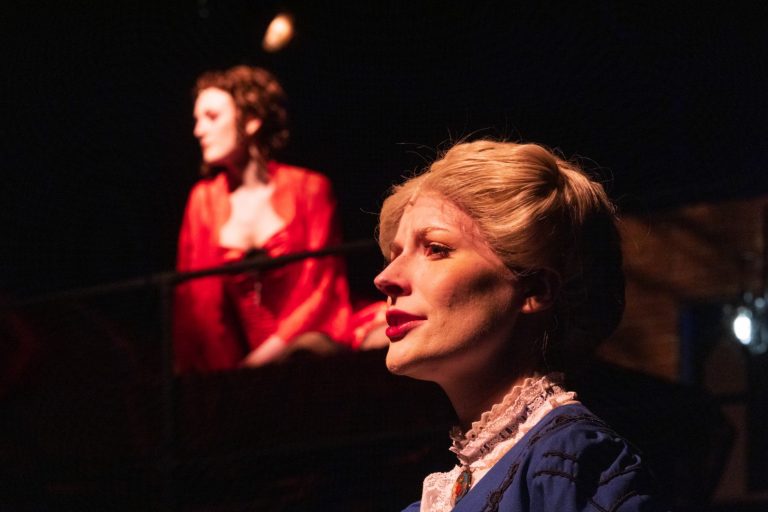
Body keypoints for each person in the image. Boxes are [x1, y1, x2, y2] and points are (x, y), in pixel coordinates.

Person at [374, 140, 666, 511]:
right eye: (396, 254)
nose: (385, 278)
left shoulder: (570, 465)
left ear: (534, 289)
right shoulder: (439, 499)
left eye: (436, 248)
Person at [174, 65, 354, 372]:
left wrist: (260, 362)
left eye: (211, 117)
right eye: (197, 119)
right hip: (238, 365)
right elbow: (193, 306)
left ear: (251, 121)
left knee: (323, 349)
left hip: (310, 340)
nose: (198, 130)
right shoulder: (203, 200)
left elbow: (322, 289)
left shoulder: (310, 188)